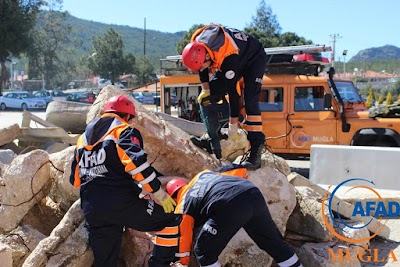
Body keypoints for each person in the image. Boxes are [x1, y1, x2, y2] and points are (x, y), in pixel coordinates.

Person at [70, 95, 179, 267]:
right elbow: (138, 166)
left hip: (92, 208)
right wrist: (159, 193)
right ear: (127, 116)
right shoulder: (123, 130)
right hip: (120, 203)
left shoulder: (82, 139)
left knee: (105, 262)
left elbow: (75, 180)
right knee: (170, 219)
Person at [166, 164, 303, 267]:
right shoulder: (202, 175)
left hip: (228, 204)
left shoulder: (182, 205)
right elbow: (240, 170)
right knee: (272, 242)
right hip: (250, 191)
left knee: (203, 252)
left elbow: (184, 236)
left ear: (173, 198)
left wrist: (182, 262)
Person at [182, 24, 267, 170]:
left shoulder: (228, 58)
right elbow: (201, 69)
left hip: (253, 59)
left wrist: (233, 125)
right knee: (209, 95)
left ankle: (255, 152)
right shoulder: (198, 45)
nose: (203, 70)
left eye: (203, 66)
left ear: (207, 56)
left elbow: (233, 94)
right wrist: (206, 91)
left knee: (250, 101)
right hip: (231, 56)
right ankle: (213, 136)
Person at [190, 72, 230, 159]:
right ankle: (217, 134)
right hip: (224, 83)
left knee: (205, 103)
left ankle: (214, 145)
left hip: (220, 83)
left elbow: (202, 70)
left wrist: (205, 90)